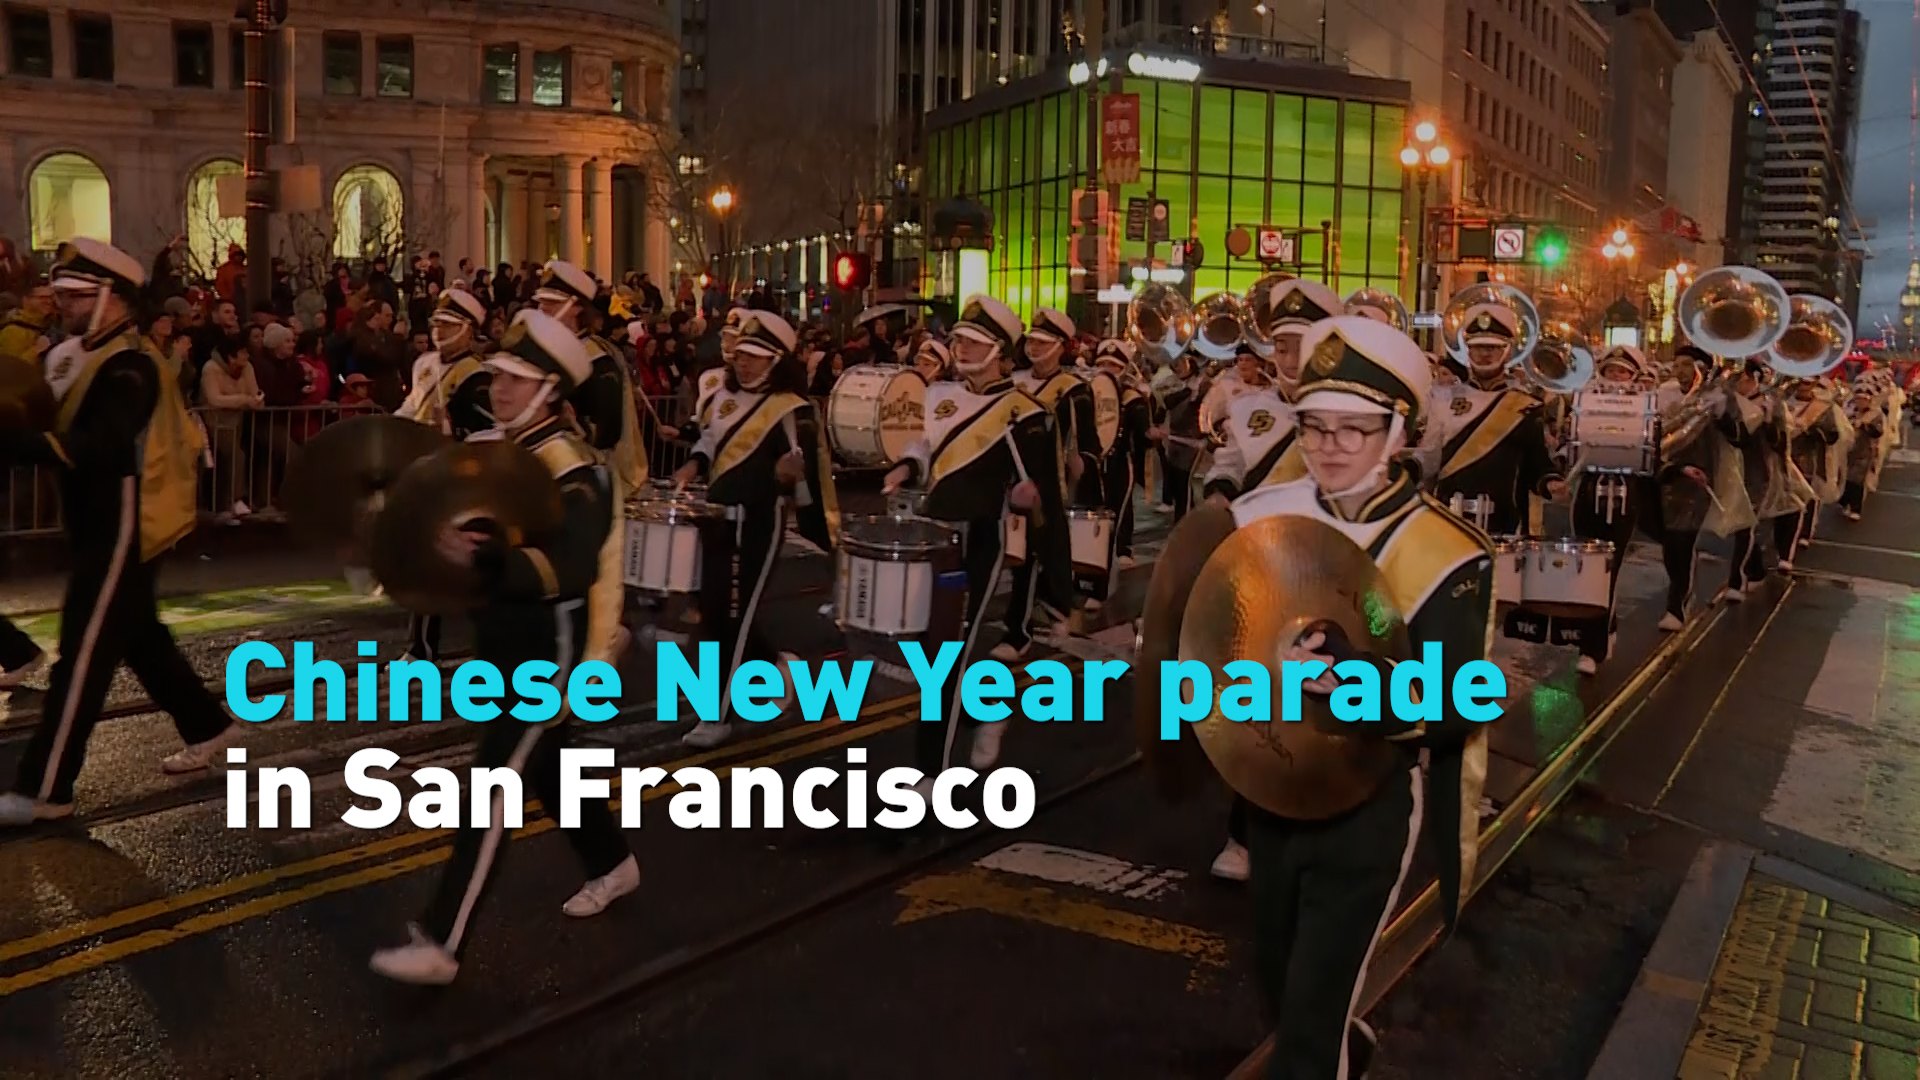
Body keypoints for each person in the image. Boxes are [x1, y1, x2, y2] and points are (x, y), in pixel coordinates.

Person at [1147, 314, 1494, 1079]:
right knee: (1283, 992)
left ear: (1398, 433)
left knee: (1307, 1024)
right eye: (1315, 426)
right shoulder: (1264, 517)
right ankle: (1344, 1047)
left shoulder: (1447, 553)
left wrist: (1352, 688)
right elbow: (1214, 635)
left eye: (1356, 429)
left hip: (1366, 808)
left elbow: (1456, 702)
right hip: (1271, 799)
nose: (1330, 446)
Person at [368, 310, 637, 985]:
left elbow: (569, 567)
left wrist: (486, 557)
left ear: (552, 391)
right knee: (547, 769)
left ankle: (441, 941)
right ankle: (612, 864)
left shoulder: (578, 472)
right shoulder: (500, 452)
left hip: (550, 649)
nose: (500, 388)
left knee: (493, 783)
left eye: (517, 380)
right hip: (502, 640)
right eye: (499, 376)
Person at [0, 240, 239, 827]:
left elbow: (99, 447)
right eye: (60, 294)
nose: (62, 305)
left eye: (75, 296)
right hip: (94, 524)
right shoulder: (76, 356)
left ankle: (47, 788)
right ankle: (209, 726)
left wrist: (16, 443)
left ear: (111, 299)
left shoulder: (132, 366)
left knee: (81, 658)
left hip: (124, 528)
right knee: (139, 638)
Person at [884, 295, 1075, 780]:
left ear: (999, 350)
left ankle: (930, 776)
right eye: (960, 341)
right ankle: (987, 709)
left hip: (978, 544)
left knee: (943, 662)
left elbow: (1046, 502)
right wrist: (907, 465)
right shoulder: (939, 395)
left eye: (974, 342)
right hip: (931, 540)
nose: (961, 348)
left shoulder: (1026, 414)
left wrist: (1059, 586)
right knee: (928, 653)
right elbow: (925, 445)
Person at [671, 313, 838, 749]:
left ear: (776, 362)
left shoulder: (792, 412)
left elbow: (804, 482)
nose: (744, 364)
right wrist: (693, 463)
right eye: (741, 355)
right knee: (716, 613)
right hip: (716, 518)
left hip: (758, 523)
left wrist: (785, 479)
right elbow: (709, 440)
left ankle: (717, 714)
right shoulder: (723, 397)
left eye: (756, 357)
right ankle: (780, 667)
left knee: (732, 615)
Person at [532, 260, 642, 668]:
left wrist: (570, 421)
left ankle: (601, 650)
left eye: (551, 303)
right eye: (540, 302)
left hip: (584, 477)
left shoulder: (599, 359)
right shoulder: (539, 354)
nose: (542, 310)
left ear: (575, 307)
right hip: (546, 473)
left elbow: (608, 431)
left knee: (588, 575)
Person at [995, 307, 1099, 660]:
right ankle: (1029, 622)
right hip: (1014, 479)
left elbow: (1090, 442)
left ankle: (1037, 621)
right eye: (1032, 342)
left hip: (1052, 484)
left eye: (1044, 343)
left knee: (1049, 553)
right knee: (1020, 554)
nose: (1035, 349)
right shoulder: (1015, 384)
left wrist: (1083, 462)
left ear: (1061, 347)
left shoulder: (1074, 389)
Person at [395, 287, 492, 663]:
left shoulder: (477, 378)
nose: (439, 330)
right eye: (437, 322)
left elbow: (488, 436)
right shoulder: (426, 365)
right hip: (425, 476)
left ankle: (486, 645)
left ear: (468, 330)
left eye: (449, 324)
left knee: (469, 567)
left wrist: (452, 433)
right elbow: (408, 410)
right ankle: (420, 648)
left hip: (460, 484)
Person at [1426, 301, 1566, 534]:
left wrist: (1549, 481)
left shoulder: (1526, 407)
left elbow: (1537, 464)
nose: (1484, 354)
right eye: (1478, 347)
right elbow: (1429, 458)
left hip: (1506, 525)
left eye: (1493, 347)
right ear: (1467, 349)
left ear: (1508, 351)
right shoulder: (1442, 399)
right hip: (1449, 523)